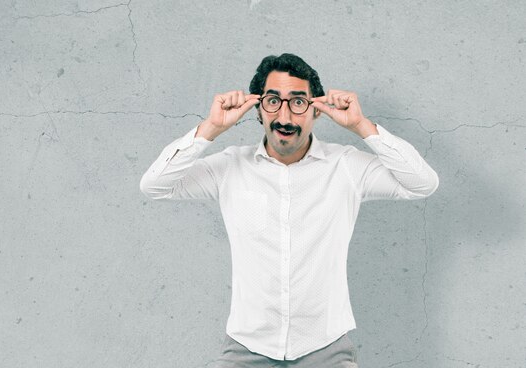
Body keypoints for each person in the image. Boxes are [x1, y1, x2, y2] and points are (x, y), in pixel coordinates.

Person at [139, 53, 439, 367]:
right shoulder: (229, 167)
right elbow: (155, 185)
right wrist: (211, 128)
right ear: (257, 109)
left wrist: (361, 126)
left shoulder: (346, 166)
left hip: (326, 350)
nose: (285, 116)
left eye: (297, 102)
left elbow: (422, 183)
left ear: (317, 110)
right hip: (246, 349)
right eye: (272, 101)